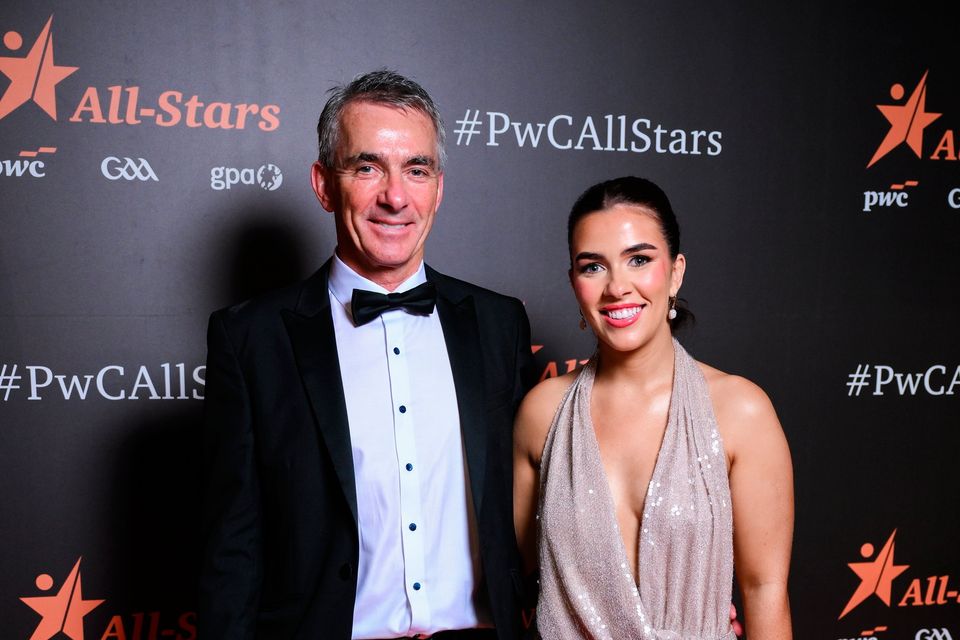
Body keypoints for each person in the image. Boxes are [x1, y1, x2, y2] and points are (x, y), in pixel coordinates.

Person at [199, 69, 535, 639]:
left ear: (439, 188)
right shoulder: (251, 339)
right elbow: (233, 548)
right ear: (324, 184)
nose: (395, 196)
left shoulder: (498, 323)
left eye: (417, 169)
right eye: (367, 166)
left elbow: (554, 507)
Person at [513, 177, 793, 639]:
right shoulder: (542, 413)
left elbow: (765, 590)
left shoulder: (741, 411)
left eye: (639, 260)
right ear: (574, 284)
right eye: (593, 267)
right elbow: (516, 581)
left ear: (676, 272)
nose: (617, 287)